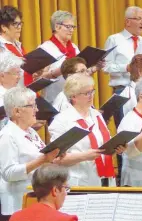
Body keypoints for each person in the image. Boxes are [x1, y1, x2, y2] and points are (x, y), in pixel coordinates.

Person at [48, 74, 126, 187]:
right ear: (73, 96)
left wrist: (117, 148)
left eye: (92, 91)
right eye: (86, 93)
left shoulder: (96, 115)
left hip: (106, 179)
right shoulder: (62, 121)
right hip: (79, 181)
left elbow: (103, 145)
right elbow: (55, 158)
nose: (91, 96)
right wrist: (84, 156)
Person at [0, 87, 60, 216]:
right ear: (17, 111)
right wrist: (42, 160)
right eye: (32, 106)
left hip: (35, 199)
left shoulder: (31, 132)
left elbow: (41, 158)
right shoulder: (7, 135)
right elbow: (9, 173)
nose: (37, 110)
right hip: (17, 204)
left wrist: (54, 158)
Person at [103, 6, 142, 129]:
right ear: (127, 21)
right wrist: (126, 68)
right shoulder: (114, 39)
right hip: (122, 90)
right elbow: (105, 67)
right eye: (138, 19)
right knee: (125, 130)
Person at [39, 10, 81, 103]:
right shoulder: (45, 48)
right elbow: (39, 79)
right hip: (55, 100)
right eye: (68, 26)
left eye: (73, 27)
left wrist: (94, 67)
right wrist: (57, 72)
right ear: (57, 27)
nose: (72, 30)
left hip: (75, 98)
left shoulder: (74, 47)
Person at [9, 164, 77, 221]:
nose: (66, 193)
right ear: (55, 190)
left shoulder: (15, 217)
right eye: (65, 188)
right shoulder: (66, 219)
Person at [0, 6, 33, 87]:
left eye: (20, 23)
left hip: (24, 91)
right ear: (3, 27)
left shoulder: (18, 45)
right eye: (15, 24)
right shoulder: (1, 46)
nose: (19, 27)